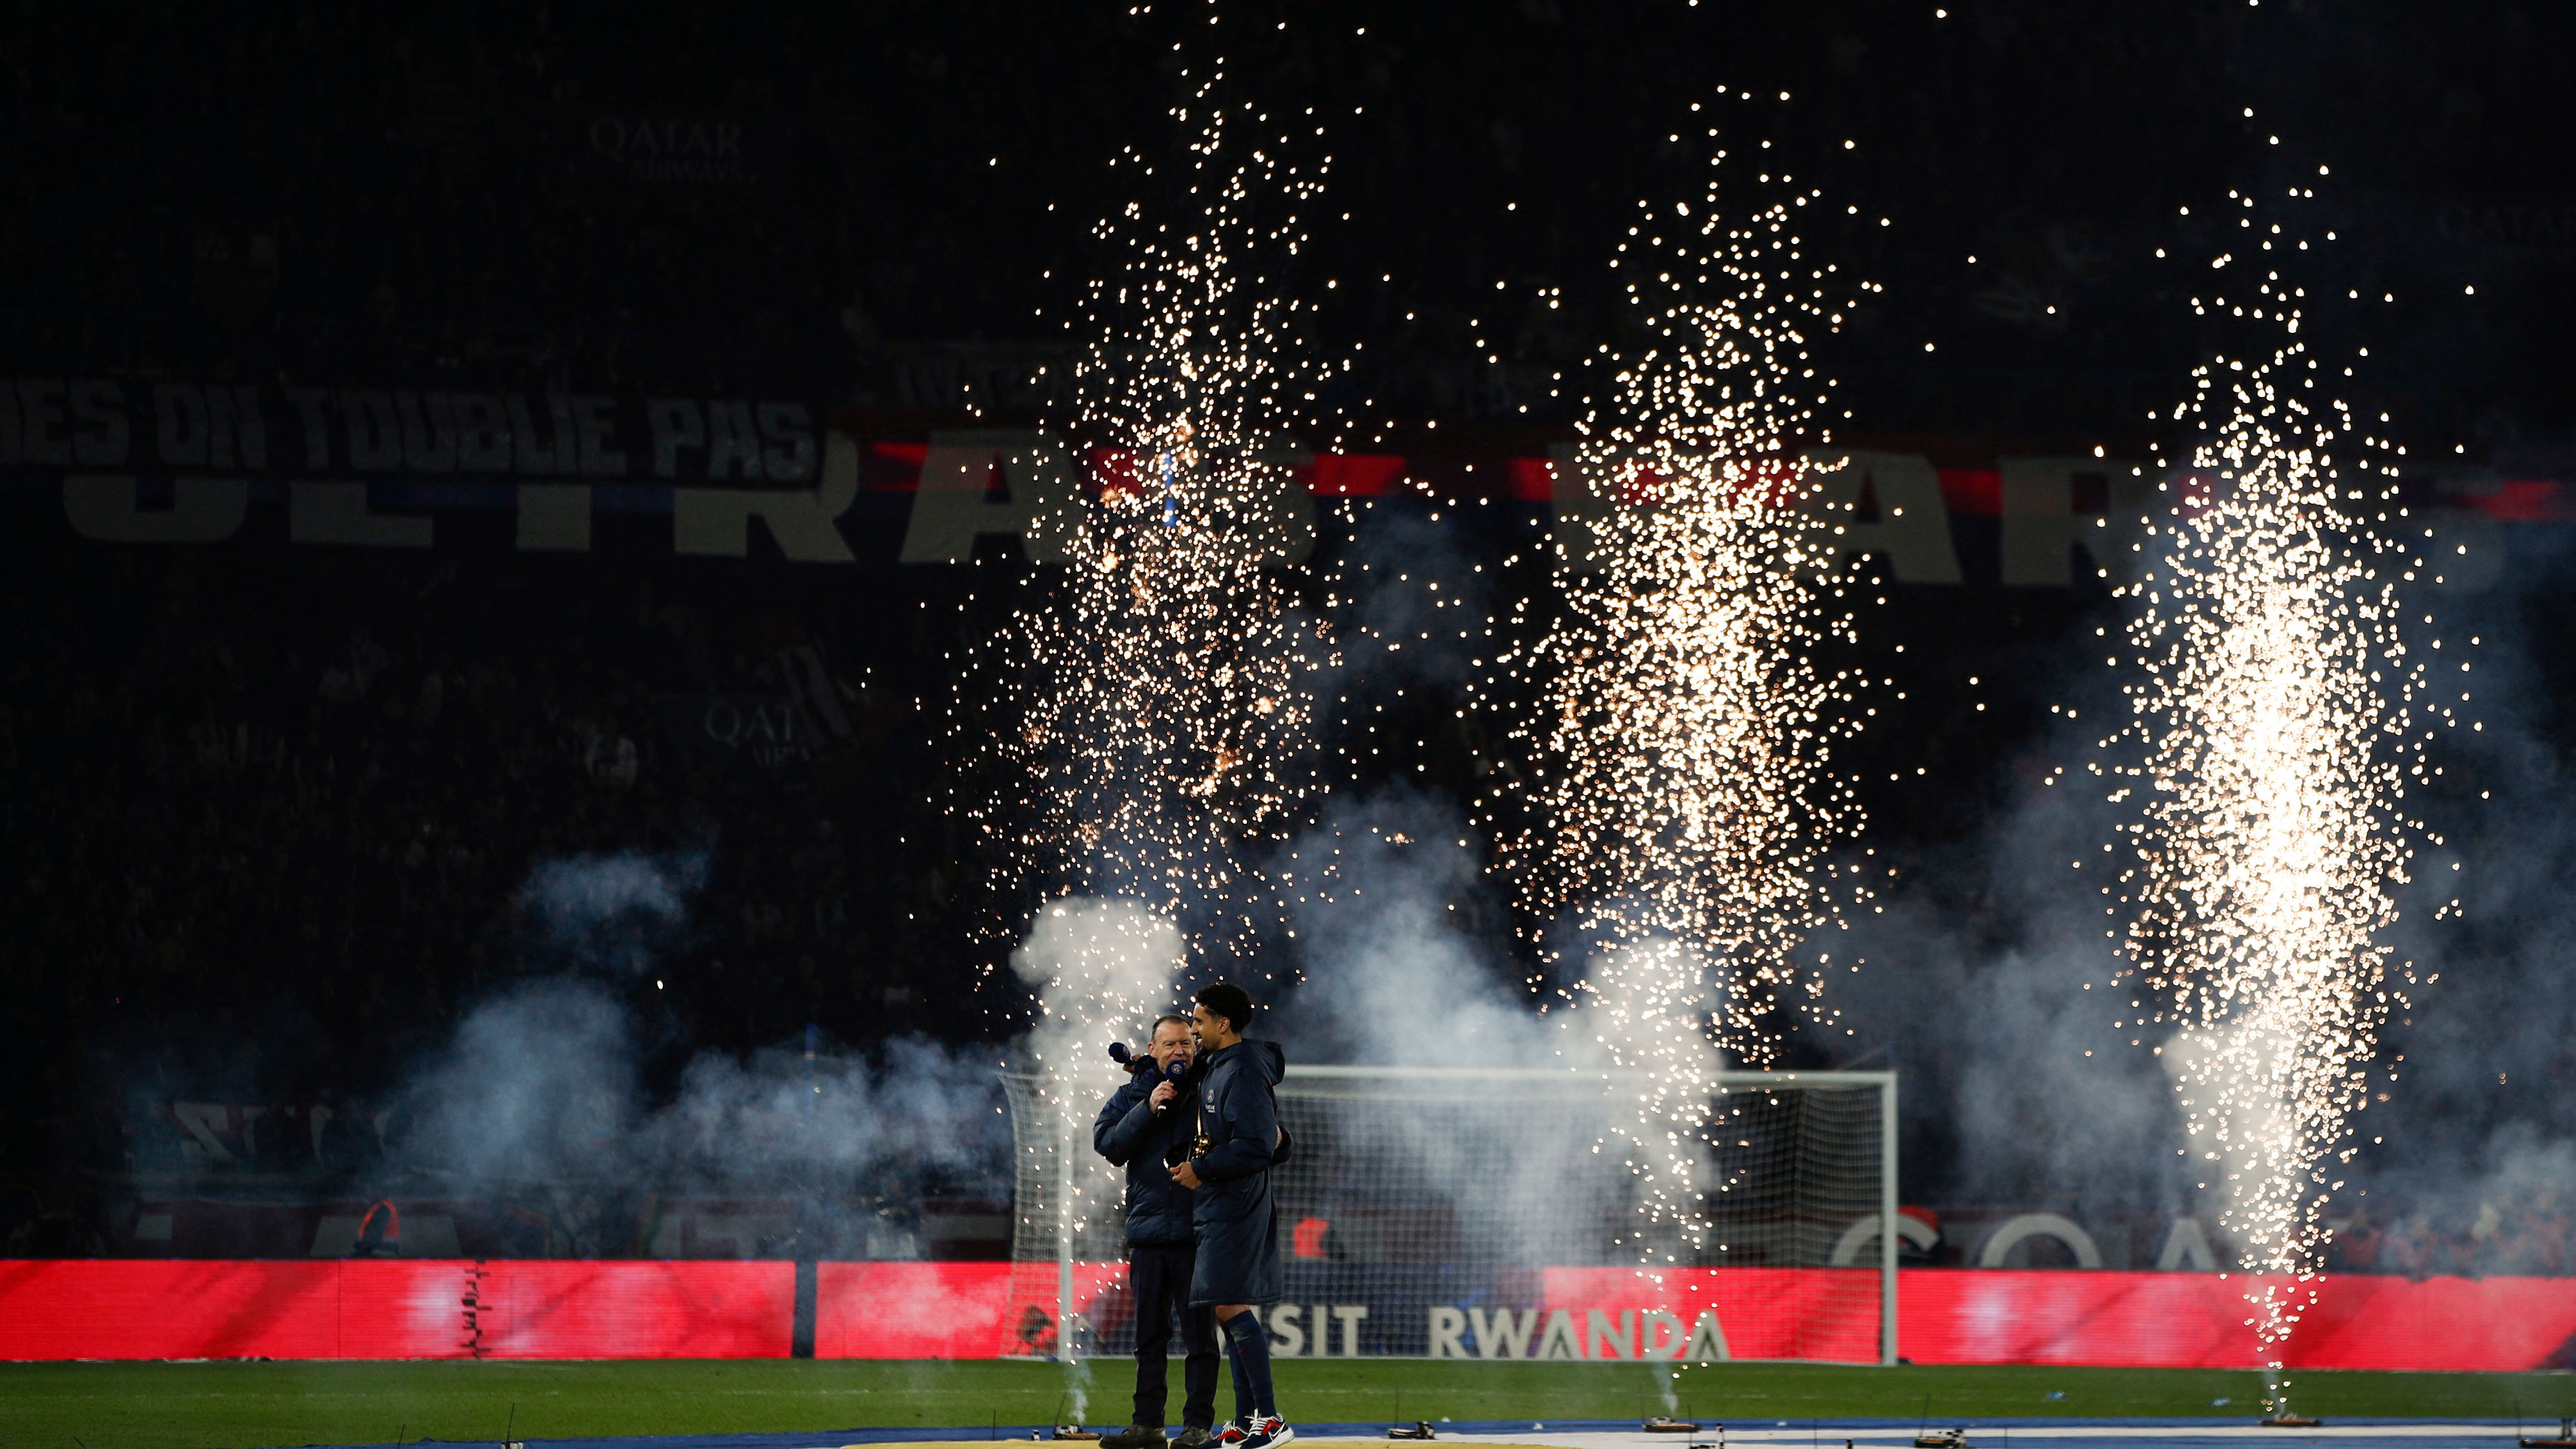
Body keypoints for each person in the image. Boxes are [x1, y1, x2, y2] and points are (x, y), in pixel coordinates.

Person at [1170, 982, 1291, 1449]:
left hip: (1236, 1200)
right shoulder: (1220, 1065)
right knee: (1225, 1303)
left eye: (1198, 1021)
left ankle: (1271, 1418)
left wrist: (1201, 1168)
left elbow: (1258, 1143)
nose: (1194, 1031)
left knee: (1231, 1304)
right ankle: (1246, 1419)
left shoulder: (1240, 1070)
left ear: (1223, 1023)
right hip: (1221, 1201)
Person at [1093, 1015, 1220, 1449]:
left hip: (1197, 1232)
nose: (1179, 1051)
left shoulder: (1210, 1088)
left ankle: (1198, 1426)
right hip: (1148, 1234)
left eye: (1186, 1042)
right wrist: (1146, 1107)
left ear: (1195, 1046)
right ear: (1153, 1049)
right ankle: (1147, 1424)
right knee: (1149, 1335)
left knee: (1200, 1337)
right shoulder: (1133, 1093)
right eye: (1169, 1044)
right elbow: (1107, 1144)